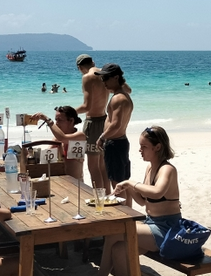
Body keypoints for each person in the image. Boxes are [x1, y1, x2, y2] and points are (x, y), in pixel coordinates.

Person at [75, 126, 181, 276]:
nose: (140, 150)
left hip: (167, 230)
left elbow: (157, 192)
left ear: (157, 147)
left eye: (144, 146)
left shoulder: (167, 169)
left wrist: (132, 182)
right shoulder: (150, 168)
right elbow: (144, 202)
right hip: (152, 224)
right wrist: (129, 189)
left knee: (115, 232)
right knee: (118, 250)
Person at [97, 63, 134, 202]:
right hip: (121, 142)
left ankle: (124, 215)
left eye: (106, 78)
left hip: (115, 144)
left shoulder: (118, 98)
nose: (103, 82)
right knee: (124, 184)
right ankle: (129, 214)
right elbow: (129, 89)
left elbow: (115, 124)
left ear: (116, 77)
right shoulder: (123, 95)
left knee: (118, 186)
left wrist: (102, 137)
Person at [75, 54, 112, 192]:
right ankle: (107, 196)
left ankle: (99, 198)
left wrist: (69, 112)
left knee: (93, 167)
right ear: (93, 62)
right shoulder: (105, 73)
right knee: (102, 165)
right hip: (105, 120)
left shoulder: (87, 77)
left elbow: (87, 106)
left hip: (93, 123)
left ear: (80, 68)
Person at [26, 106, 85, 180]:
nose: (56, 123)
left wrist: (48, 120)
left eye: (60, 120)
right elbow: (45, 157)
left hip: (76, 183)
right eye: (56, 120)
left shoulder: (80, 137)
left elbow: (63, 138)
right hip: (62, 180)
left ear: (71, 121)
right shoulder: (58, 138)